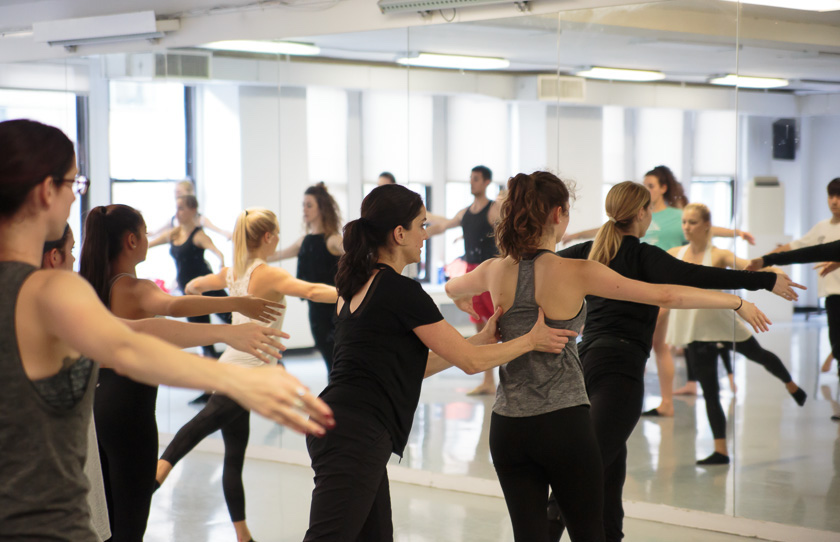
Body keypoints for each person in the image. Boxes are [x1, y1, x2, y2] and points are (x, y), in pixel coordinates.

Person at [0, 118, 332, 541]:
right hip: (45, 526)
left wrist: (228, 336)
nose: (73, 196)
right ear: (47, 190)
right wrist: (231, 374)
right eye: (74, 182)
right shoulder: (47, 290)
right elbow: (130, 342)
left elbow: (140, 330)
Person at [444, 174, 775, 542]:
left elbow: (451, 285)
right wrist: (737, 300)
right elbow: (667, 295)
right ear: (559, 214)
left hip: (507, 425)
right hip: (562, 421)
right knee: (588, 532)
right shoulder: (578, 270)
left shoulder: (494, 269)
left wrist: (476, 308)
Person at [303, 183, 577, 541]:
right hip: (357, 434)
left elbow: (407, 365)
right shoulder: (401, 291)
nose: (426, 236)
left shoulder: (356, 286)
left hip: (338, 422)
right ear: (399, 233)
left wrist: (478, 338)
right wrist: (531, 341)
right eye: (421, 225)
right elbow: (472, 363)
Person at [545, 181, 801, 542]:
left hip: (586, 366)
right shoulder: (642, 255)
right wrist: (763, 281)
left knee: (607, 474)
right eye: (650, 209)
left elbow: (536, 263)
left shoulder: (587, 252)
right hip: (619, 373)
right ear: (640, 214)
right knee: (582, 477)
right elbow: (701, 277)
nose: (653, 216)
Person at [41, 224, 291, 542]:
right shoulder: (123, 288)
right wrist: (230, 317)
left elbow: (140, 330)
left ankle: (232, 525)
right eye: (70, 250)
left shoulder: (86, 289)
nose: (74, 258)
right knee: (126, 524)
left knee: (107, 519)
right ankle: (165, 467)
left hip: (99, 403)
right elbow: (151, 324)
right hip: (125, 407)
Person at [157, 207, 338, 542]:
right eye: (277, 234)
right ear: (267, 237)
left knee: (233, 455)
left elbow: (195, 284)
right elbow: (312, 291)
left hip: (231, 363)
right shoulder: (267, 274)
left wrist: (222, 302)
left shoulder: (232, 273)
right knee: (203, 424)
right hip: (248, 372)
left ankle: (243, 536)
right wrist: (352, 294)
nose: (279, 239)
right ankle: (156, 474)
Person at [665, 203, 806, 465]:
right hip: (694, 328)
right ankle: (721, 451)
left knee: (760, 356)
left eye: (692, 222)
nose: (686, 227)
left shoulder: (718, 254)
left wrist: (773, 272)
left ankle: (791, 384)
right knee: (709, 391)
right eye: (684, 222)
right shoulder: (676, 252)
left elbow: (747, 267)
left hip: (722, 320)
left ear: (707, 225)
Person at [750, 178, 840, 385]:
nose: (834, 201)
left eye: (839, 196)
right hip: (831, 293)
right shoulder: (822, 227)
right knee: (836, 341)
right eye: (831, 196)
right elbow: (801, 249)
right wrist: (765, 259)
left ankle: (833, 356)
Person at [426, 165, 500, 395]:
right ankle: (488, 381)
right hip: (471, 273)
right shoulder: (465, 212)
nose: (471, 183)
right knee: (480, 325)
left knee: (499, 324)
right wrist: (421, 232)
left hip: (489, 273)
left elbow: (506, 233)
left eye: (476, 179)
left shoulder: (493, 209)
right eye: (470, 179)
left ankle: (506, 377)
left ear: (486, 182)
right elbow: (444, 226)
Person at [270, 183, 344, 376]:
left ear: (322, 208)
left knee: (337, 360)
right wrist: (251, 254)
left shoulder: (333, 240)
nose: (304, 209)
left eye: (309, 205)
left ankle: (337, 400)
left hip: (335, 311)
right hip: (315, 311)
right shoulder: (304, 241)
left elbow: (356, 254)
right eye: (303, 205)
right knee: (329, 358)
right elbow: (277, 254)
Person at [150, 194, 232, 361]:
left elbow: (218, 252)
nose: (177, 213)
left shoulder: (198, 235)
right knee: (201, 334)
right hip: (188, 291)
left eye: (181, 209)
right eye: (176, 209)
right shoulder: (174, 233)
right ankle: (213, 375)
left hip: (206, 288)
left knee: (232, 318)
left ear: (193, 210)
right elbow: (149, 245)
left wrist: (222, 266)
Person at [148, 179, 233, 240]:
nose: (176, 196)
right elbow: (155, 233)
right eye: (175, 193)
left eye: (179, 193)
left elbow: (216, 229)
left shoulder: (199, 219)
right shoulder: (173, 220)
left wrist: (226, 234)